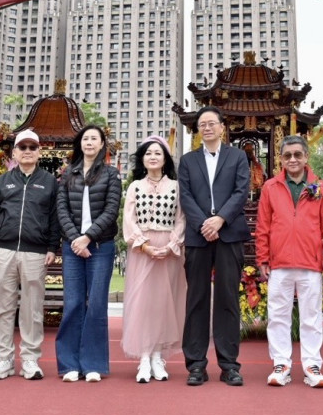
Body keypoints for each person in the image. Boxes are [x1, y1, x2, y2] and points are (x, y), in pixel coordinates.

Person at [256, 136, 323, 388]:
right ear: (281, 159)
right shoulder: (270, 187)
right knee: (278, 315)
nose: (292, 159)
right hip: (279, 263)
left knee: (311, 316)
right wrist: (262, 258)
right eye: (287, 155)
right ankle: (281, 364)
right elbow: (263, 226)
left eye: (297, 155)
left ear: (306, 157)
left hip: (310, 263)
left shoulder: (319, 187)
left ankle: (312, 365)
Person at [178, 106, 251, 386]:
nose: (207, 128)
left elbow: (241, 191)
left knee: (227, 299)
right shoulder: (188, 161)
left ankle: (229, 364)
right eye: (202, 124)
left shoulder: (237, 157)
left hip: (229, 233)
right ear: (198, 130)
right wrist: (203, 224)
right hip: (198, 236)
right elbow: (185, 196)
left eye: (212, 123)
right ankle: (196, 364)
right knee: (196, 299)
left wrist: (220, 219)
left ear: (222, 127)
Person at [0, 129, 60, 382]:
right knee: (0, 306)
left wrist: (52, 247)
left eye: (32, 147)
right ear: (14, 152)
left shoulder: (49, 182)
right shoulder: (3, 181)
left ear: (39, 152)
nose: (27, 152)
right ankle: (3, 359)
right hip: (3, 250)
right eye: (22, 147)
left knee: (32, 308)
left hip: (36, 252)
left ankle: (30, 358)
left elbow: (55, 218)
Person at [56, 124, 122, 382]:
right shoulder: (67, 174)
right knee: (73, 303)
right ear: (80, 144)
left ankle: (93, 363)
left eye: (94, 138)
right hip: (72, 247)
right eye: (86, 139)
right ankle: (69, 364)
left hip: (100, 246)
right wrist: (75, 239)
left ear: (102, 144)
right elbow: (61, 209)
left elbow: (111, 209)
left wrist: (88, 237)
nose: (90, 142)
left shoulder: (111, 174)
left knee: (96, 304)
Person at [121, 135, 186, 383]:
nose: (153, 157)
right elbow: (129, 220)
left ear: (166, 158)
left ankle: (158, 356)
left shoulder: (176, 186)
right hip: (142, 251)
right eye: (148, 153)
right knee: (143, 303)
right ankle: (144, 358)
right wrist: (144, 246)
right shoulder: (135, 186)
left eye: (158, 153)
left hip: (169, 251)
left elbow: (181, 219)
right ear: (142, 159)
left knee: (163, 304)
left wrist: (171, 245)